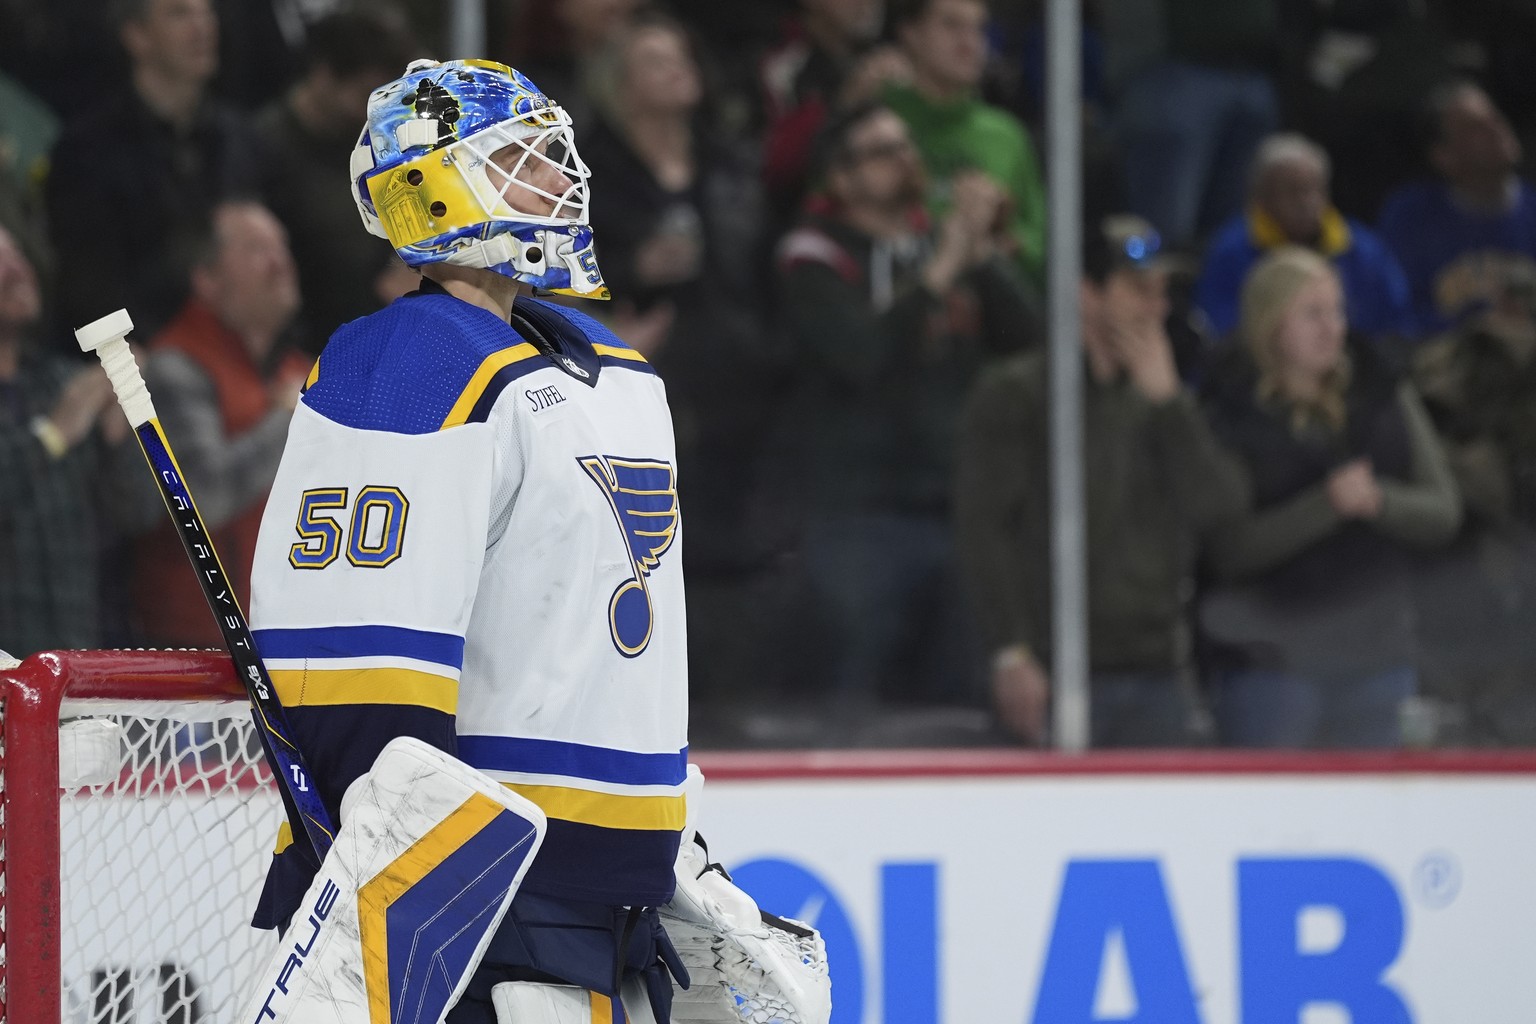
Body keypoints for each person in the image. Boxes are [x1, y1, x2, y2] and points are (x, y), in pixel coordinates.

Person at [245, 60, 688, 1023]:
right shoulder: (407, 363)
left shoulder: (612, 366)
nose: (561, 182)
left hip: (613, 893)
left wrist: (671, 843)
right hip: (475, 895)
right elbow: (354, 652)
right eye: (525, 160)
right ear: (436, 189)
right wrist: (395, 866)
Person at [776, 100, 1036, 733]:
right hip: (859, 515)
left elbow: (1032, 342)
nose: (906, 160)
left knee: (960, 705)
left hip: (958, 506)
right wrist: (943, 268)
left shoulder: (943, 246)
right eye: (883, 152)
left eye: (907, 147)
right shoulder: (813, 256)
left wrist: (981, 255)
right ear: (841, 180)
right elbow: (859, 357)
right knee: (855, 706)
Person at [955, 213, 1249, 747]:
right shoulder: (1019, 393)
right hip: (1055, 666)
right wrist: (1011, 651)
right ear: (1086, 294)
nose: (1156, 309)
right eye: (1139, 291)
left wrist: (1171, 407)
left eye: (1162, 293)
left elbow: (1221, 508)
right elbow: (985, 529)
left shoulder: (1163, 403)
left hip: (1157, 665)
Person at [1199, 247, 1460, 748]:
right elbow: (1229, 550)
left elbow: (1443, 513)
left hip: (1375, 656)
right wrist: (1327, 505)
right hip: (1270, 665)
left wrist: (1378, 501)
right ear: (1272, 324)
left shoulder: (1384, 392)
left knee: (1371, 819)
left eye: (1337, 311)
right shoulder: (1228, 415)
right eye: (1311, 314)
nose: (1332, 328)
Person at [122, 200, 308, 649]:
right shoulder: (173, 369)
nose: (280, 262)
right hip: (193, 658)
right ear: (208, 279)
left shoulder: (298, 370)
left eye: (281, 246)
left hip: (283, 642)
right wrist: (289, 418)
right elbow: (200, 499)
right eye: (256, 249)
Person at [43, 0, 262, 348]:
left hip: (244, 348)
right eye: (180, 14)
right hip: (146, 356)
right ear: (137, 36)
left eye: (206, 13)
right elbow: (90, 286)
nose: (202, 28)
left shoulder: (239, 139)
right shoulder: (88, 151)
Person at [253, 10, 415, 355]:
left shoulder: (377, 142)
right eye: (363, 96)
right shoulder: (263, 149)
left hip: (384, 327)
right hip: (308, 341)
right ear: (324, 75)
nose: (371, 116)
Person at [0, 224, 124, 657]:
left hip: (77, 665)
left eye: (17, 253)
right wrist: (51, 435)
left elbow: (133, 517)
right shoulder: (67, 403)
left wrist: (129, 429)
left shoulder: (62, 382)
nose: (18, 268)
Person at [884, 0, 1047, 283]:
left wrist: (1008, 240)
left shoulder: (1006, 135)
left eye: (979, 29)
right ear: (910, 33)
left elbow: (1042, 246)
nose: (969, 42)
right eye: (951, 25)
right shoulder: (877, 123)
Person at [1197, 133, 1412, 344]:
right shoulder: (1231, 251)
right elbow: (1220, 329)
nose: (1307, 202)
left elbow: (1397, 319)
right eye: (1293, 191)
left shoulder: (1362, 249)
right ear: (1261, 197)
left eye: (1315, 189)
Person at [1378, 81, 1536, 336]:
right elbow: (1394, 318)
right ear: (1444, 156)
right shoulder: (1412, 218)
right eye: (1474, 127)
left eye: (1494, 117)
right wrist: (1476, 325)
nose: (1495, 129)